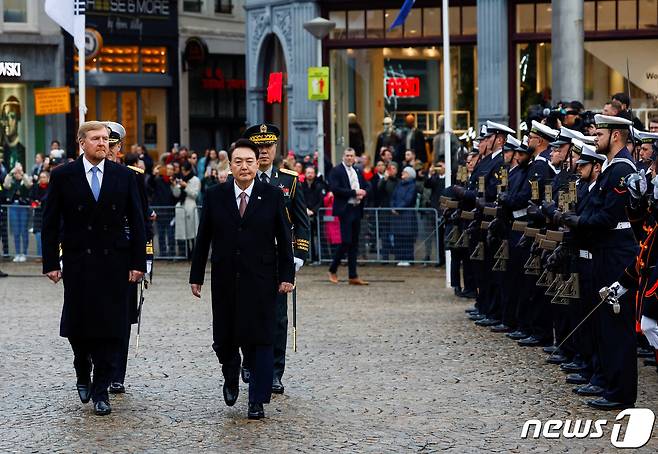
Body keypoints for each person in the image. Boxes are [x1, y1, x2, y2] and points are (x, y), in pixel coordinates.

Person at [41, 121, 146, 416]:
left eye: (105, 139)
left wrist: (139, 262)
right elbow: (49, 222)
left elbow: (137, 223)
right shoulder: (64, 176)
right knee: (79, 324)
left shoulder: (124, 176)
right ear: (81, 143)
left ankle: (102, 390)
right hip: (78, 262)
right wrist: (50, 262)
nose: (102, 143)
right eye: (96, 139)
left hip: (114, 261)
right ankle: (81, 366)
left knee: (111, 327)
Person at [189, 139, 294, 420]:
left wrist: (287, 275)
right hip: (225, 278)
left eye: (249, 161)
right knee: (224, 339)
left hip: (261, 279)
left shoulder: (272, 195)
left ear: (257, 163)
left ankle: (257, 401)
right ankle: (231, 373)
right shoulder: (215, 195)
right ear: (230, 165)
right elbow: (204, 239)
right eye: (238, 161)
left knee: (261, 338)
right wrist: (196, 275)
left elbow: (284, 239)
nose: (244, 166)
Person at [242, 123, 310, 395]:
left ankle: (274, 372)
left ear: (275, 148)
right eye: (258, 147)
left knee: (279, 318)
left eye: (268, 147)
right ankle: (249, 363)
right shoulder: (243, 178)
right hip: (250, 257)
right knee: (247, 313)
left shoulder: (289, 181)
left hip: (281, 256)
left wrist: (299, 254)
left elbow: (302, 221)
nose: (263, 152)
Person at [104, 121, 154, 395]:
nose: (108, 151)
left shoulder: (133, 176)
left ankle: (117, 374)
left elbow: (142, 221)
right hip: (97, 256)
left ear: (119, 148)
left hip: (125, 256)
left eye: (113, 146)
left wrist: (144, 259)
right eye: (104, 145)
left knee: (123, 318)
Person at [328, 147, 369, 284]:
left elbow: (366, 185)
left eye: (351, 156)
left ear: (355, 157)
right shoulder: (336, 171)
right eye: (347, 155)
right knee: (346, 241)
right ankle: (333, 269)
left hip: (357, 209)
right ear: (343, 156)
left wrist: (364, 191)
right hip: (345, 209)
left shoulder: (357, 170)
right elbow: (335, 189)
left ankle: (353, 275)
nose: (349, 158)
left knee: (354, 243)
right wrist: (354, 192)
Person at [3, 163, 32, 262]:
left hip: (23, 207)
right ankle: (17, 253)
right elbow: (5, 185)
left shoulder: (24, 180)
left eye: (18, 172)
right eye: (16, 172)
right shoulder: (12, 180)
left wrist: (23, 174)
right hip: (13, 207)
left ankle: (24, 253)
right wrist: (11, 173)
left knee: (24, 231)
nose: (17, 174)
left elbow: (29, 184)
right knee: (16, 231)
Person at [391, 166, 418, 266]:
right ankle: (399, 258)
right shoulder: (399, 184)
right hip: (397, 216)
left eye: (405, 172)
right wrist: (393, 207)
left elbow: (408, 199)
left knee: (407, 238)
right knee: (398, 238)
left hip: (407, 215)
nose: (402, 173)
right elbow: (393, 197)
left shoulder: (412, 186)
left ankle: (408, 258)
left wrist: (398, 209)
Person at [172, 161, 201, 258]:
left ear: (188, 170)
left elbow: (195, 194)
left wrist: (186, 186)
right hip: (181, 207)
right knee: (183, 233)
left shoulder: (195, 180)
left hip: (190, 207)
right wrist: (175, 186)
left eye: (184, 170)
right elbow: (176, 194)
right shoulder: (181, 179)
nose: (183, 172)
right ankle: (185, 253)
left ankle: (193, 253)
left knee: (192, 232)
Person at [150, 164, 177, 257]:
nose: (169, 171)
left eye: (171, 169)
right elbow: (150, 184)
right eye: (167, 169)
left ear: (173, 171)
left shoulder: (174, 181)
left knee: (171, 235)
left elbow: (177, 196)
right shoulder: (159, 180)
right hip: (160, 212)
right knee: (161, 234)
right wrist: (153, 174)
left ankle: (172, 253)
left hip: (171, 212)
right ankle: (163, 253)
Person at [301, 166, 325, 263]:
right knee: (306, 237)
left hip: (317, 215)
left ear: (314, 174)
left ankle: (318, 257)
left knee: (319, 236)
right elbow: (300, 200)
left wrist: (313, 211)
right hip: (305, 214)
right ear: (305, 174)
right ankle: (308, 257)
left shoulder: (319, 186)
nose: (310, 174)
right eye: (308, 172)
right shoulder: (301, 186)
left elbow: (321, 201)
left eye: (311, 172)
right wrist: (305, 209)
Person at [1, 96, 26, 169]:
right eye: (5, 117)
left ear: (18, 118)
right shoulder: (2, 150)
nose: (7, 122)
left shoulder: (23, 151)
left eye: (12, 117)